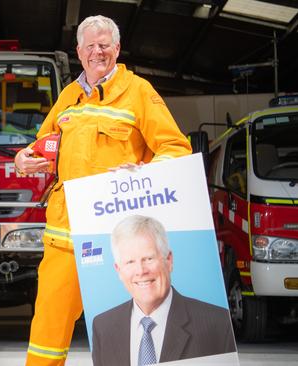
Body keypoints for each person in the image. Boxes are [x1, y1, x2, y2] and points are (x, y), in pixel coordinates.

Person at [14, 15, 192, 365]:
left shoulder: (139, 91)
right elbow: (41, 147)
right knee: (47, 333)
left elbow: (176, 148)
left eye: (104, 45)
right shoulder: (68, 96)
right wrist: (23, 158)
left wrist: (144, 172)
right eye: (90, 46)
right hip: (63, 239)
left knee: (124, 333)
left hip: (119, 242)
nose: (98, 52)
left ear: (117, 48)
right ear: (79, 52)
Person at [92, 215, 236, 365]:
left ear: (169, 261)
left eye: (148, 259)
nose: (140, 271)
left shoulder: (218, 325)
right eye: (130, 262)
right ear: (119, 270)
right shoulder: (103, 328)